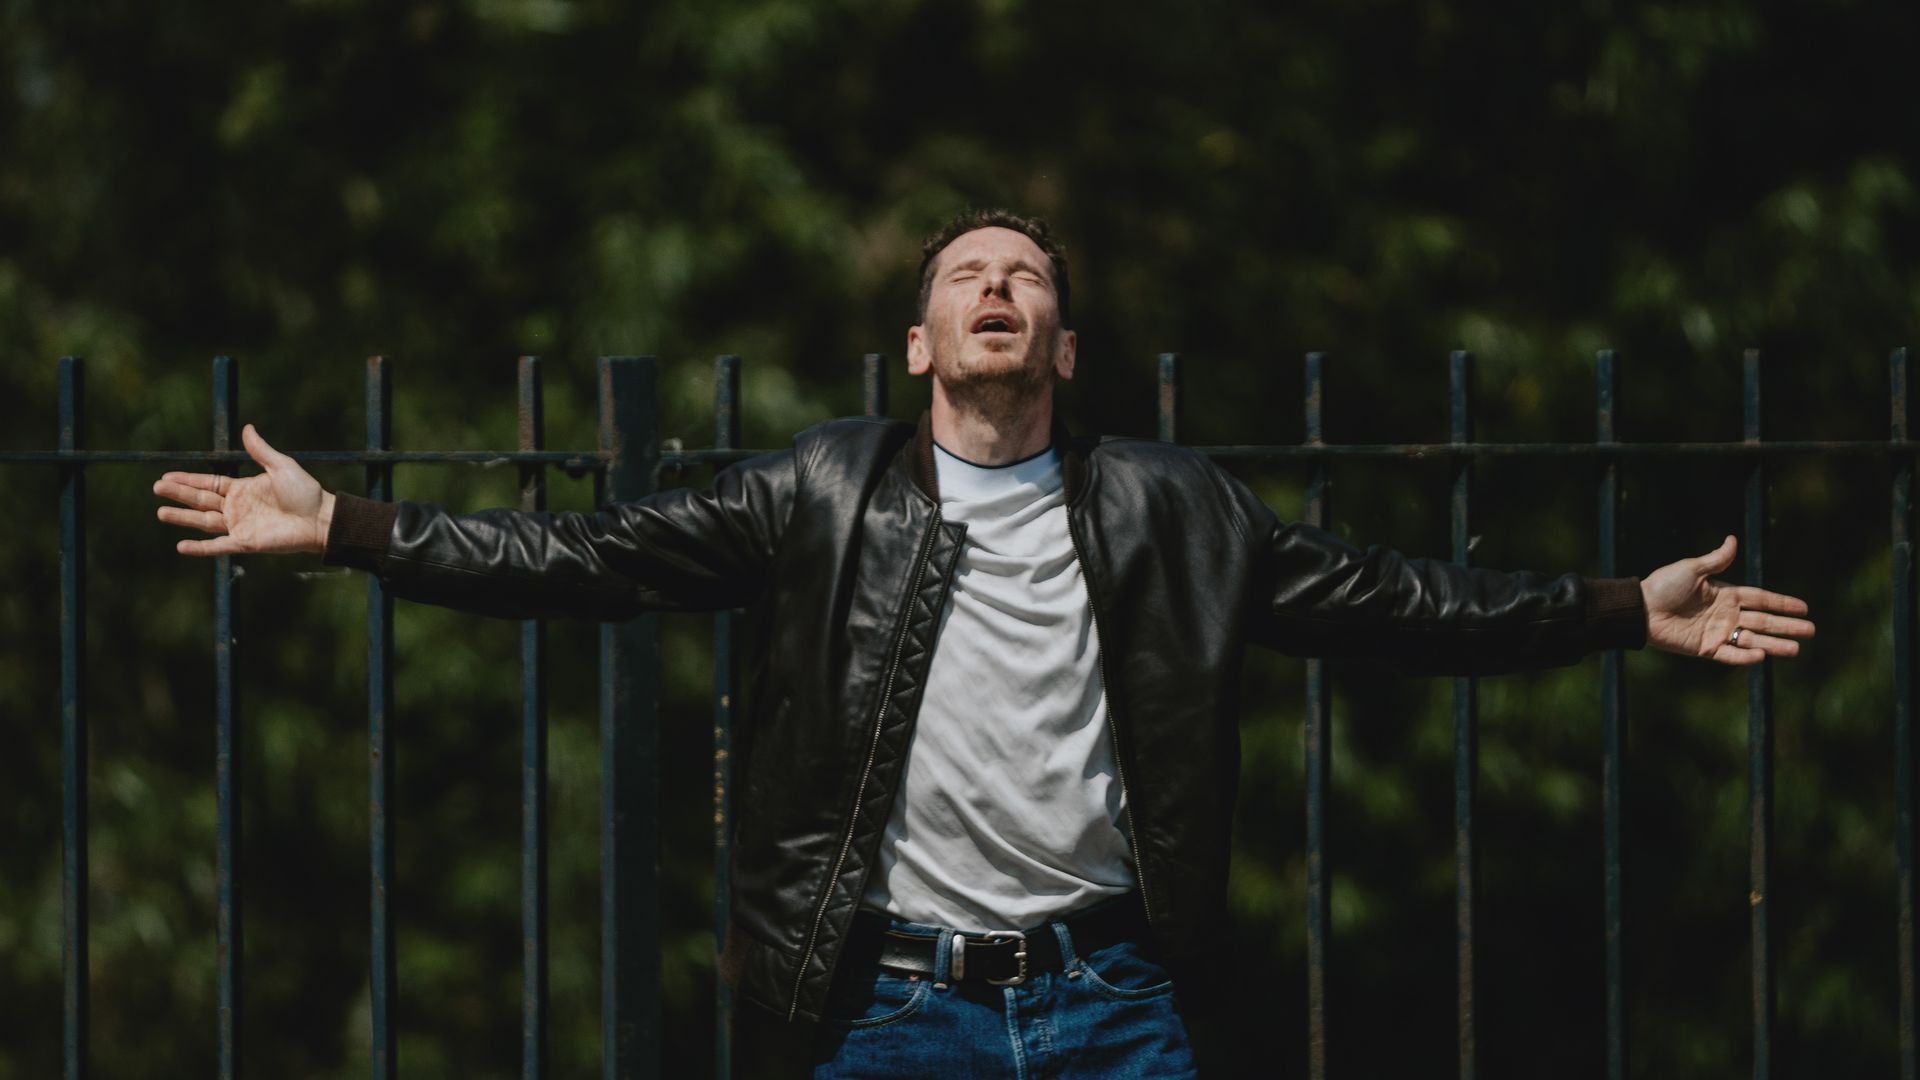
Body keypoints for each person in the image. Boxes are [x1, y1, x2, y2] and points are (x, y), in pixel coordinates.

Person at [154, 209, 1815, 1077]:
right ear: (923, 333)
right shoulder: (822, 489)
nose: (997, 289)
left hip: (1111, 1007)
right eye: (968, 273)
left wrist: (1620, 609)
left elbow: (1400, 604)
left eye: (1025, 275)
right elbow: (587, 556)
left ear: (1067, 343)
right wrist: (350, 528)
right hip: (894, 1014)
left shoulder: (1177, 510)